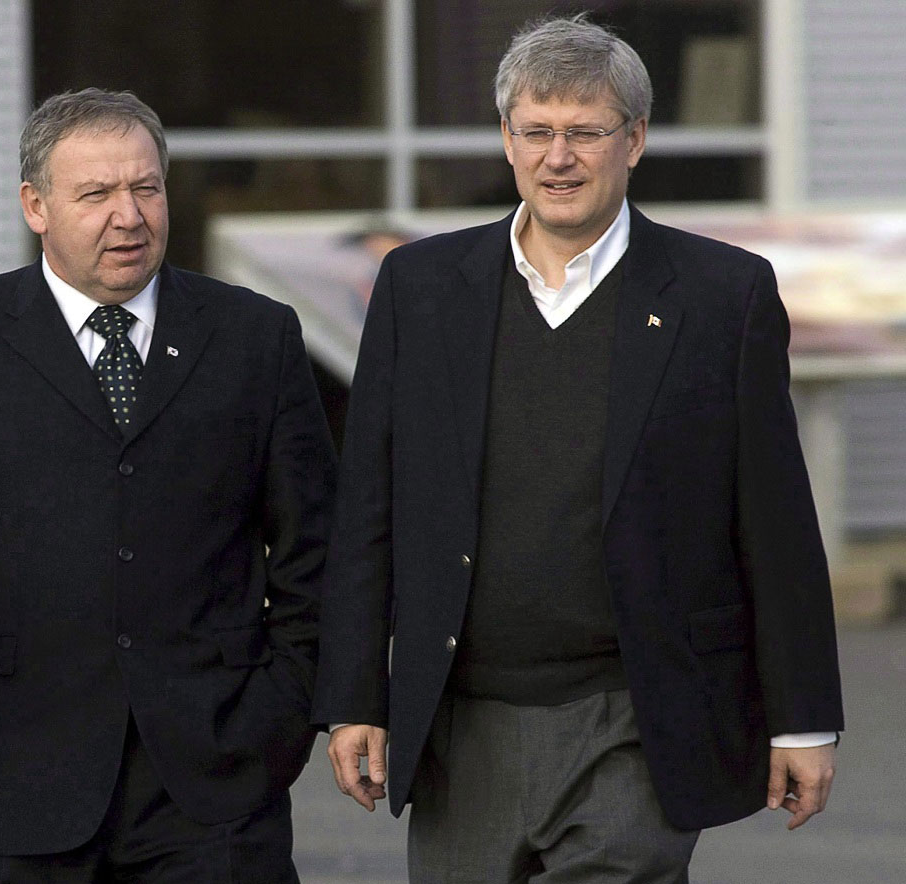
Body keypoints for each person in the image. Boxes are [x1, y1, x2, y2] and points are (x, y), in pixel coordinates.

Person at [311, 15, 843, 883]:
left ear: (634, 140)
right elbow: (370, 503)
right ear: (506, 139)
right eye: (537, 132)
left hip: (638, 715)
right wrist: (352, 698)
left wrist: (803, 719)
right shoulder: (422, 288)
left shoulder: (721, 296)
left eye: (585, 132)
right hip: (462, 717)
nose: (559, 157)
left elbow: (775, 520)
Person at [0, 88, 336, 883]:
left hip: (216, 779)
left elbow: (317, 541)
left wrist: (286, 705)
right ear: (35, 205)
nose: (129, 215)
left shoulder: (255, 335)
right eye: (97, 193)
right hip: (24, 775)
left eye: (146, 187)